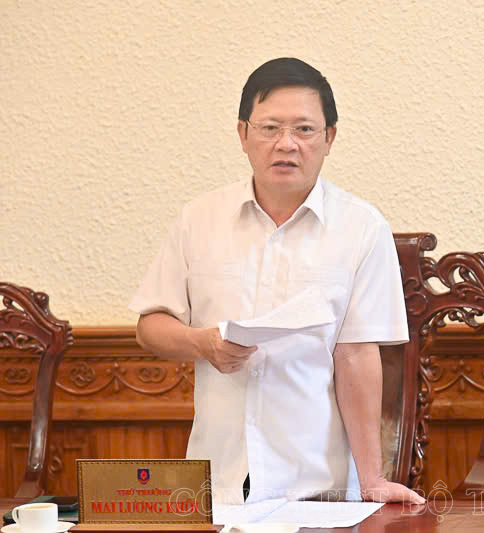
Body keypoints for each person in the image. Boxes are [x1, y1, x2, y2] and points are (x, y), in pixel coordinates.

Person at [130, 57, 424, 505]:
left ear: (329, 138)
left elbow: (356, 356)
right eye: (269, 128)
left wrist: (372, 480)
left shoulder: (362, 228)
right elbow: (150, 325)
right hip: (216, 480)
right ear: (243, 135)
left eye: (304, 129)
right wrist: (202, 343)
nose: (286, 144)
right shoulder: (198, 219)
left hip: (317, 486)